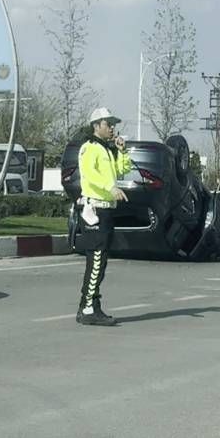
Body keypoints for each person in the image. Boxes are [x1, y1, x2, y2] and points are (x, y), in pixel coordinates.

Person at [75, 107, 133, 326]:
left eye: (112, 124)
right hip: (95, 209)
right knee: (96, 258)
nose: (112, 128)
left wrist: (122, 151)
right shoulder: (89, 148)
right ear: (96, 126)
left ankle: (90, 305)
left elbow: (121, 170)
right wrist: (110, 188)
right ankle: (88, 307)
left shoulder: (107, 150)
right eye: (108, 124)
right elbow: (90, 175)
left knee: (101, 260)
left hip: (107, 209)